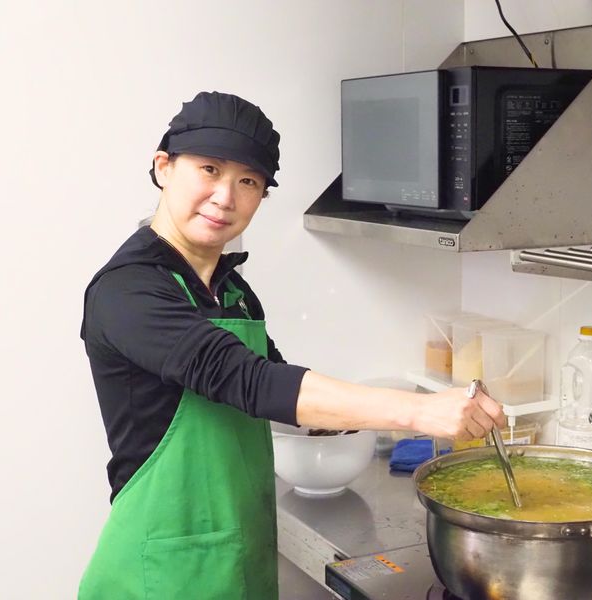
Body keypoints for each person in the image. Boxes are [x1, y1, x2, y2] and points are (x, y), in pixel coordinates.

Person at [78, 91, 505, 599]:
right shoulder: (128, 289)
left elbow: (277, 389)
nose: (225, 197)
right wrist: (418, 410)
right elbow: (248, 380)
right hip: (161, 571)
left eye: (248, 181)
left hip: (237, 555)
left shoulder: (233, 292)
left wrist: (375, 421)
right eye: (209, 169)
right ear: (164, 168)